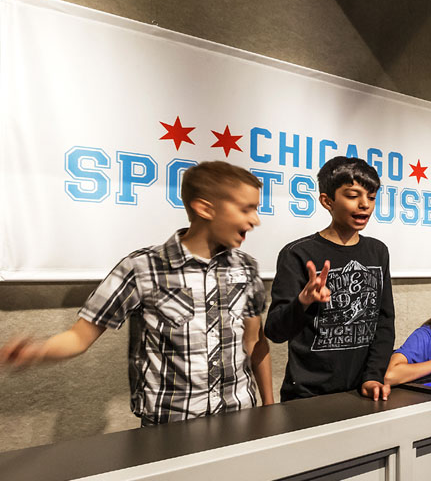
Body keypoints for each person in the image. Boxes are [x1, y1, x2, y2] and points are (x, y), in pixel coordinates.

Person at [0, 161, 273, 425]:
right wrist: (35, 352)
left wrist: (268, 407)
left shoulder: (246, 267)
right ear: (204, 208)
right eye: (246, 209)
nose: (256, 220)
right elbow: (78, 337)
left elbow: (254, 342)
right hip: (170, 427)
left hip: (240, 419)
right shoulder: (141, 267)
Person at [266, 156, 394, 401]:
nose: (364, 204)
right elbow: (274, 331)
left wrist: (374, 375)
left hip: (362, 391)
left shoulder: (378, 251)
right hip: (307, 395)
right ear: (327, 201)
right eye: (353, 195)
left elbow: (384, 321)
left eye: (372, 197)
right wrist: (303, 301)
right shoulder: (298, 253)